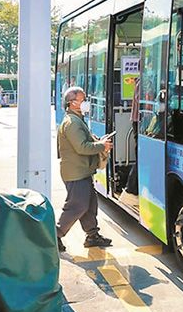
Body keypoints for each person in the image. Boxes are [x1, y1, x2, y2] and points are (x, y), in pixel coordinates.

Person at [55, 86, 113, 252]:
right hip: (76, 173)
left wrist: (99, 142)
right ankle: (55, 235)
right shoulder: (72, 123)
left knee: (90, 205)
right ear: (72, 103)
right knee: (77, 206)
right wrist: (101, 146)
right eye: (83, 100)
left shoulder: (77, 119)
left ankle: (92, 236)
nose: (86, 102)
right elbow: (81, 147)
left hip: (82, 171)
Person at [118, 76, 139, 207]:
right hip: (139, 123)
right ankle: (130, 191)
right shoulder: (141, 83)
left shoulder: (140, 82)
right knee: (141, 158)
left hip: (139, 122)